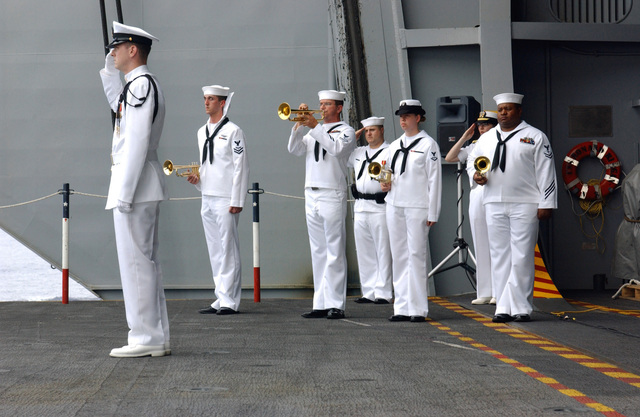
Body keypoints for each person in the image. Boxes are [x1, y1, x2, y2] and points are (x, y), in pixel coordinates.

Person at [100, 22, 170, 357]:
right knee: (144, 262)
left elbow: (137, 142)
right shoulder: (136, 86)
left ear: (133, 50)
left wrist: (124, 193)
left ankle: (144, 337)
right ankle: (155, 336)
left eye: (117, 48)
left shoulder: (141, 85)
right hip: (139, 184)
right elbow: (121, 111)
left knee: (136, 263)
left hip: (135, 185)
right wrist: (108, 74)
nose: (112, 53)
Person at [470, 93, 557, 323]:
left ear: (519, 111)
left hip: (525, 202)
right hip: (493, 201)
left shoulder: (535, 136)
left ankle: (520, 307)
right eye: (501, 110)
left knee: (522, 254)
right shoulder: (487, 139)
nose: (504, 113)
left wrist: (546, 203)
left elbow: (546, 172)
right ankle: (502, 306)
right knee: (499, 255)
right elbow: (473, 161)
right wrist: (475, 175)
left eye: (509, 109)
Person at [287, 90, 356, 319]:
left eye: (327, 104)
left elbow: (336, 149)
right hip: (311, 192)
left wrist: (315, 126)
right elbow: (294, 149)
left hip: (332, 192)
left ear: (338, 108)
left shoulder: (346, 131)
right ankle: (320, 302)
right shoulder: (312, 132)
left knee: (334, 249)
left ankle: (336, 303)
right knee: (318, 250)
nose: (323, 107)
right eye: (321, 104)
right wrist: (298, 125)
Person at [381, 100, 442, 323]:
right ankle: (401, 307)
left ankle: (417, 308)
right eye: (401, 116)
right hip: (395, 204)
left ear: (418, 117)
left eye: (408, 115)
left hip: (418, 205)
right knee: (398, 256)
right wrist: (384, 184)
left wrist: (433, 212)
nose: (403, 119)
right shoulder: (394, 145)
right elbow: (387, 172)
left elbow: (434, 180)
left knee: (416, 255)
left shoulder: (428, 145)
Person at [191, 85, 249, 316]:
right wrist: (197, 180)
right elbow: (207, 165)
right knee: (215, 249)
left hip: (226, 197)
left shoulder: (234, 131)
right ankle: (220, 295)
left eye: (211, 99)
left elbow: (240, 166)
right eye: (205, 98)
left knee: (228, 249)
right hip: (208, 196)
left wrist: (237, 199)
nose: (206, 102)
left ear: (222, 102)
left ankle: (230, 300)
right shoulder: (201, 131)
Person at [444, 111, 498, 305]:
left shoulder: (499, 144)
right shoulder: (473, 146)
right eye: (479, 125)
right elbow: (450, 157)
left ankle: (499, 292)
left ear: (494, 126)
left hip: (493, 192)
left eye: (486, 124)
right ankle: (485, 290)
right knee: (480, 241)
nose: (481, 128)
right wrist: (465, 137)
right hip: (476, 194)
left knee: (496, 243)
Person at [348, 117, 393, 304]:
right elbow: (340, 154)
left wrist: (385, 179)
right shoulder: (358, 152)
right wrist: (353, 137)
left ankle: (383, 292)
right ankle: (368, 291)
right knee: (364, 251)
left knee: (383, 250)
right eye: (366, 131)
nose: (369, 134)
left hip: (379, 205)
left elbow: (394, 174)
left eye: (373, 130)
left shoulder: (390, 151)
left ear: (382, 130)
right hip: (360, 205)